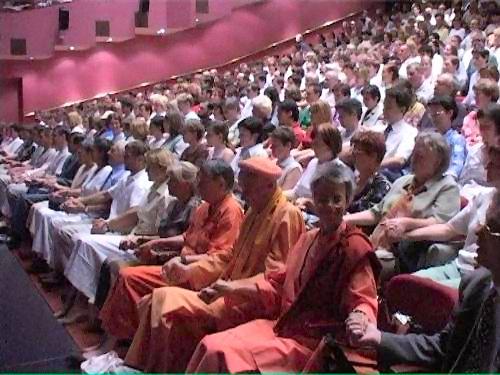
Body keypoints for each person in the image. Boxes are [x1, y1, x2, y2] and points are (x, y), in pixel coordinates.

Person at [187, 162, 380, 374]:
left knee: (221, 352)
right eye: (323, 199)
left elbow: (364, 299)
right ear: (314, 199)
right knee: (210, 344)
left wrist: (360, 316)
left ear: (348, 201)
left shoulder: (354, 246)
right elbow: (278, 283)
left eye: (337, 199)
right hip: (285, 326)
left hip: (315, 343)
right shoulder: (308, 238)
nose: (329, 206)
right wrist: (230, 288)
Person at [121, 156, 305, 372]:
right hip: (225, 290)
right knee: (157, 299)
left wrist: (229, 288)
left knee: (164, 304)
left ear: (269, 185)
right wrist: (191, 270)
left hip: (249, 302)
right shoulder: (254, 211)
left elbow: (276, 278)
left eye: (248, 188)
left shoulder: (287, 216)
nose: (243, 193)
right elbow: (229, 257)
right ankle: (141, 367)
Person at [346, 195, 500, 373]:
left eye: (490, 228)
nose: (478, 230)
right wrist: (378, 337)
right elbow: (444, 347)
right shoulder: (478, 285)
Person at [345, 132, 461, 273]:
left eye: (420, 156)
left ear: (437, 162)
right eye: (414, 154)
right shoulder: (403, 181)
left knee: (357, 260)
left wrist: (407, 224)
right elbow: (376, 213)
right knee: (340, 247)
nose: (413, 159)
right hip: (376, 241)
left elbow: (440, 223)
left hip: (402, 253)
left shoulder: (447, 187)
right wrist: (343, 219)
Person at [379, 86, 418, 182]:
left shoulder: (410, 132)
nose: (384, 110)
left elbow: (400, 160)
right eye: (384, 106)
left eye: (389, 107)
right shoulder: (380, 129)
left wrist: (373, 165)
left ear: (402, 109)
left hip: (388, 177)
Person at [348, 131, 391, 214]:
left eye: (358, 152)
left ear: (373, 157)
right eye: (353, 151)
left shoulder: (381, 186)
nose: (353, 155)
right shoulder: (351, 179)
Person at [427, 96, 467, 180]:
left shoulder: (457, 139)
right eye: (431, 114)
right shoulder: (427, 137)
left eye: (437, 114)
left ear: (449, 113)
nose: (434, 118)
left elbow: (456, 166)